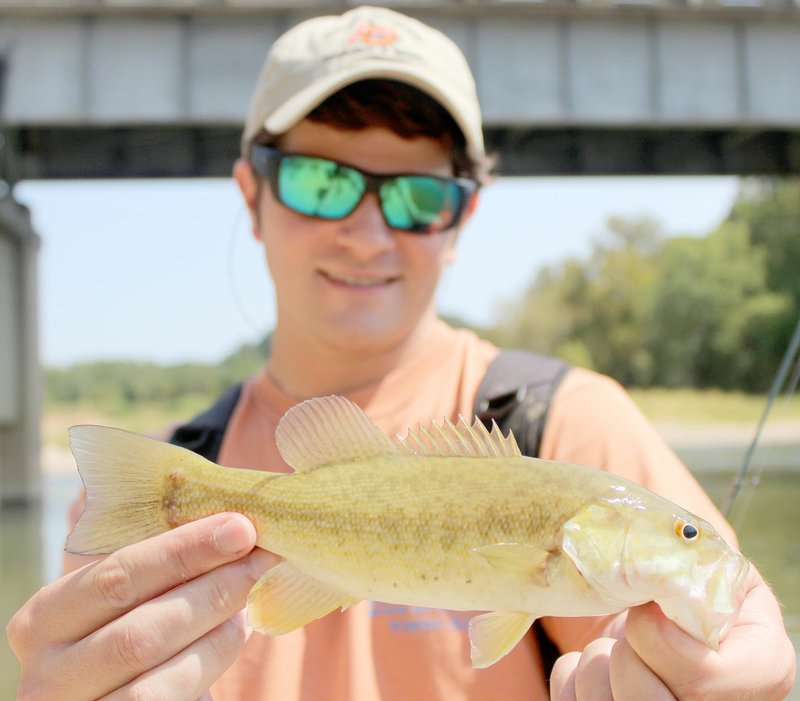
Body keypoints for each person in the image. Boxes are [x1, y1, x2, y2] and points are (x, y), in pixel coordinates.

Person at [7, 6, 795, 700]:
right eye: (321, 182)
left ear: (464, 216)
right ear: (251, 195)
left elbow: (739, 621)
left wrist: (744, 681)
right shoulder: (173, 476)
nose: (368, 231)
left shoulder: (570, 424)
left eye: (420, 195)